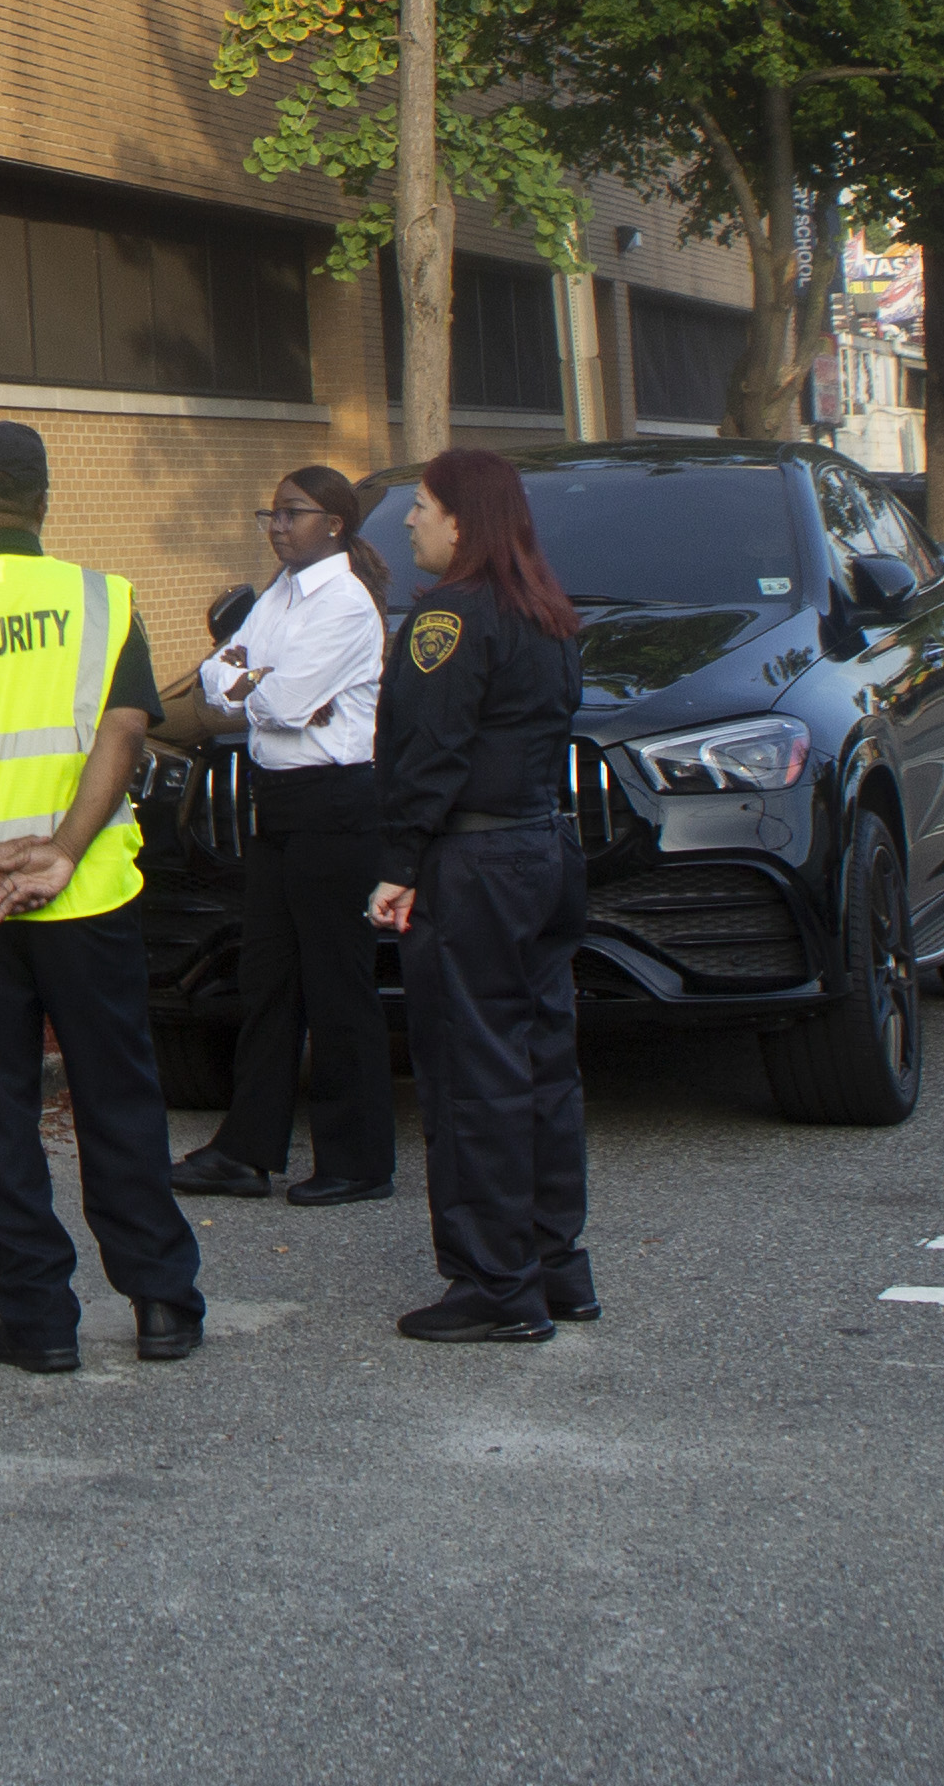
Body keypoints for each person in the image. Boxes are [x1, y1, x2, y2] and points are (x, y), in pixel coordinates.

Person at [0, 418, 203, 1371]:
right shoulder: (102, 601)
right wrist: (59, 850)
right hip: (86, 891)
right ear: (45, 500)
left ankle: (39, 1318)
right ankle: (162, 1303)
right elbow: (126, 728)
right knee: (119, 1094)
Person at [368, 444, 594, 1344]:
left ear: (464, 520)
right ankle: (553, 1265)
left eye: (423, 505)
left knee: (472, 1074)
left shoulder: (449, 620)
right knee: (541, 1066)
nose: (413, 519)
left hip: (475, 865)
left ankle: (496, 1286)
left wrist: (397, 863)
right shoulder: (546, 613)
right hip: (541, 850)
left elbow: (428, 753)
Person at [172, 466, 394, 1207]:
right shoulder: (279, 594)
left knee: (337, 985)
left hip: (334, 805)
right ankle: (246, 1151)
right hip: (279, 802)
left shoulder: (346, 604)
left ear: (334, 522)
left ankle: (357, 1160)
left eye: (291, 513)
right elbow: (214, 679)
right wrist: (251, 679)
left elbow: (288, 701)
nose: (276, 524)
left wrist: (252, 683)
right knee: (268, 981)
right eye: (270, 512)